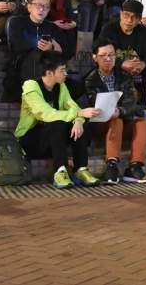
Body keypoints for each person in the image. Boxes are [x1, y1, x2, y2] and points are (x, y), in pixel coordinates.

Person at [15, 51, 101, 189]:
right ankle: (60, 171)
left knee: (77, 124)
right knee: (59, 123)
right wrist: (79, 113)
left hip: (53, 141)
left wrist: (78, 120)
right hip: (30, 141)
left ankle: (80, 170)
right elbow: (45, 114)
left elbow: (73, 106)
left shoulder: (61, 87)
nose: (66, 73)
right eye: (62, 70)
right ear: (49, 73)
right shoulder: (31, 87)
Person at [85, 38, 146, 184]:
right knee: (116, 120)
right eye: (103, 55)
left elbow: (131, 103)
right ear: (95, 57)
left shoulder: (124, 77)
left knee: (142, 122)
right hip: (100, 125)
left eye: (112, 55)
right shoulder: (90, 80)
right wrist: (113, 113)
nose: (108, 59)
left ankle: (135, 167)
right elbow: (93, 105)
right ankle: (112, 165)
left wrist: (120, 111)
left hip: (120, 119)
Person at [4, 0, 78, 102]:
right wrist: (39, 43)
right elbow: (17, 43)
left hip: (49, 73)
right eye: (38, 5)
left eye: (45, 7)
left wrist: (52, 49)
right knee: (10, 84)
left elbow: (66, 52)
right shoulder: (17, 22)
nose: (41, 9)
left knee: (78, 88)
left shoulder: (53, 28)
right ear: (29, 7)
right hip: (21, 70)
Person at [99, 0, 146, 102]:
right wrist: (121, 63)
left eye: (134, 17)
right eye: (126, 15)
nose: (129, 20)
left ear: (139, 19)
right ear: (121, 14)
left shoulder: (142, 32)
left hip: (137, 73)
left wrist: (142, 64)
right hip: (115, 70)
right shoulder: (109, 30)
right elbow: (100, 52)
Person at [40, 0, 77, 71]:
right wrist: (53, 23)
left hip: (62, 26)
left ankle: (69, 60)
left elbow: (71, 15)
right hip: (45, 25)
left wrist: (73, 23)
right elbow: (37, 17)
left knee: (70, 32)